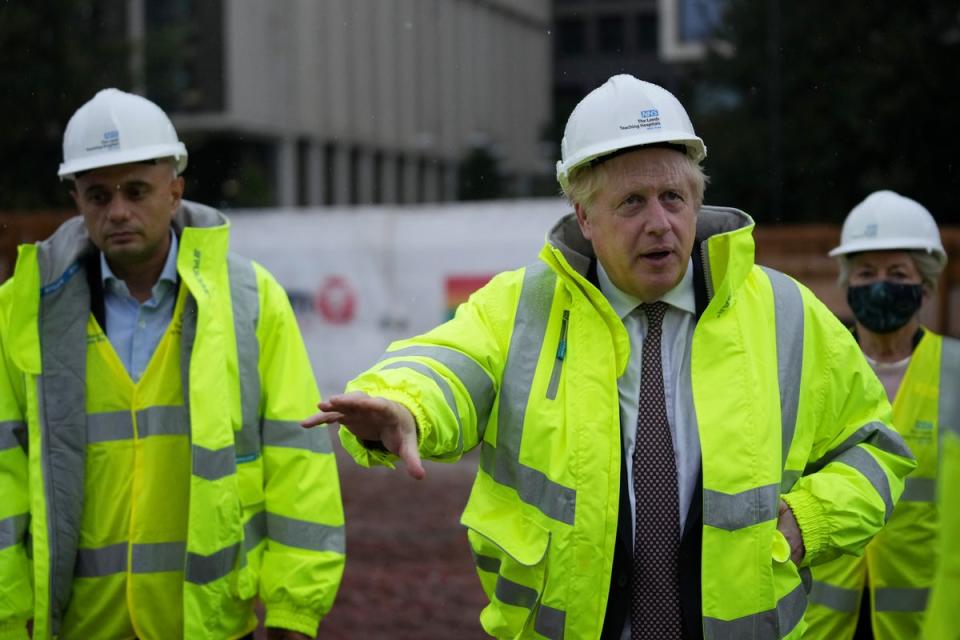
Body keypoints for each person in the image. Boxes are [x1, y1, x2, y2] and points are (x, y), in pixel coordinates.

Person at [304, 75, 915, 639]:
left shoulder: (785, 311)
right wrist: (404, 405)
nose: (660, 224)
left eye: (674, 198)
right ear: (585, 216)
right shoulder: (520, 307)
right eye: (632, 203)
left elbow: (876, 448)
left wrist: (808, 522)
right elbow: (444, 365)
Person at [0, 89, 345, 640]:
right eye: (97, 195)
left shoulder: (250, 300)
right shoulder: (25, 307)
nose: (117, 211)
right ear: (75, 199)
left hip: (205, 624)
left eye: (136, 191)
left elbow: (297, 458)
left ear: (174, 190)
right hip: (76, 626)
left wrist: (294, 610)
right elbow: (4, 476)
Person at [803, 191, 959, 640]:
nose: (880, 285)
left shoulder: (955, 370)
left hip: (925, 621)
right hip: (825, 621)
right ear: (847, 283)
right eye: (866, 273)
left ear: (925, 285)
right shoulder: (817, 366)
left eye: (897, 273)